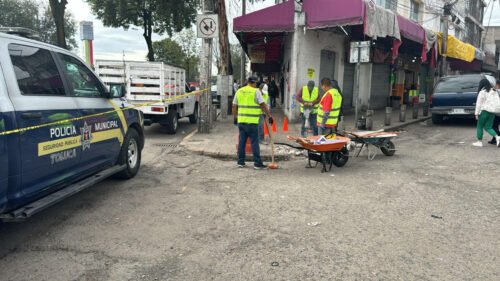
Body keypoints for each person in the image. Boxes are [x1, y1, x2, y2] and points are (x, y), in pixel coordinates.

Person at [233, 76, 273, 169]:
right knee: (254, 143)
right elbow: (263, 104)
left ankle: (240, 162)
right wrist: (269, 116)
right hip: (252, 122)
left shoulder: (239, 91)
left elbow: (234, 105)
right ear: (254, 83)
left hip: (241, 122)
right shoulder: (256, 91)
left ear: (248, 82)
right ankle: (257, 163)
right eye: (256, 83)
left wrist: (235, 117)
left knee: (242, 142)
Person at [473, 78, 500, 147]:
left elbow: (478, 104)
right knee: (488, 127)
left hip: (484, 111)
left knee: (480, 126)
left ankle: (479, 142)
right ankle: (497, 137)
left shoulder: (482, 92)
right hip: (492, 112)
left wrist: (476, 113)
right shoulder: (494, 91)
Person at [488, 79, 500, 145]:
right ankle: (494, 140)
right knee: (495, 126)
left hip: (497, 112)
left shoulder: (496, 91)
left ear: (498, 84)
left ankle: (497, 138)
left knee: (494, 126)